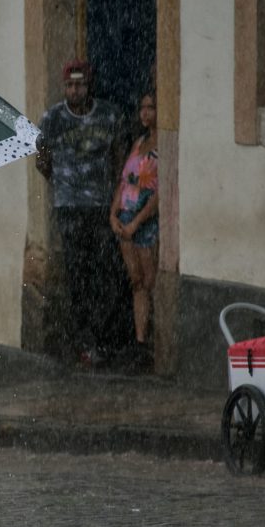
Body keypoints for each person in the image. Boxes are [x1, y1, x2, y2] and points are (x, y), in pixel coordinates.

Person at [35, 59, 127, 366]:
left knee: (106, 274)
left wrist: (111, 192)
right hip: (69, 208)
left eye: (80, 84)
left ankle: (105, 339)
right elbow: (42, 161)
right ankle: (83, 340)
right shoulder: (52, 119)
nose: (75, 90)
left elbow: (119, 157)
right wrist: (66, 185)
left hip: (102, 207)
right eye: (70, 85)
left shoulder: (109, 115)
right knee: (78, 276)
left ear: (90, 85)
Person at [109, 91, 159, 369]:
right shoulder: (139, 143)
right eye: (142, 107)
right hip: (126, 219)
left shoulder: (162, 147)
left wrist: (137, 222)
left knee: (149, 284)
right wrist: (113, 213)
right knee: (137, 282)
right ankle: (139, 341)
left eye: (151, 108)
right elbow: (125, 180)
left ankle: (149, 342)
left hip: (144, 222)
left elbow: (158, 194)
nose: (145, 113)